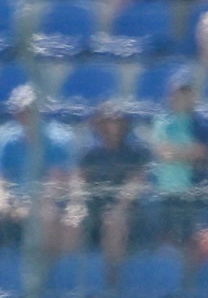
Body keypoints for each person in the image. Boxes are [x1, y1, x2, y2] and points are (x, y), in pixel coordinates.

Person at [0, 85, 79, 256]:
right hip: (17, 200)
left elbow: (56, 184)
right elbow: (3, 179)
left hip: (48, 201)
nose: (25, 115)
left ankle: (42, 272)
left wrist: (28, 205)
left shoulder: (57, 140)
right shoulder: (8, 141)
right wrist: (5, 201)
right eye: (21, 110)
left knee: (47, 216)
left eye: (30, 110)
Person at [79, 102, 153, 267]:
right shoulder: (90, 153)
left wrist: (119, 208)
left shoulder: (135, 153)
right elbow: (80, 181)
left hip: (127, 213)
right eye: (105, 122)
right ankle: (72, 280)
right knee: (72, 222)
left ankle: (110, 282)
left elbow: (136, 184)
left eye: (115, 121)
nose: (110, 126)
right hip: (94, 209)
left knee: (114, 223)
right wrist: (77, 205)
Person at [149, 72, 208, 252]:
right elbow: (162, 152)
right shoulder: (162, 122)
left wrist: (176, 152)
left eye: (186, 94)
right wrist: (188, 151)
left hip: (194, 189)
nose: (182, 98)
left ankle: (190, 277)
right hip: (167, 189)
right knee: (167, 238)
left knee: (193, 240)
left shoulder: (203, 125)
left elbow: (204, 153)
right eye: (178, 94)